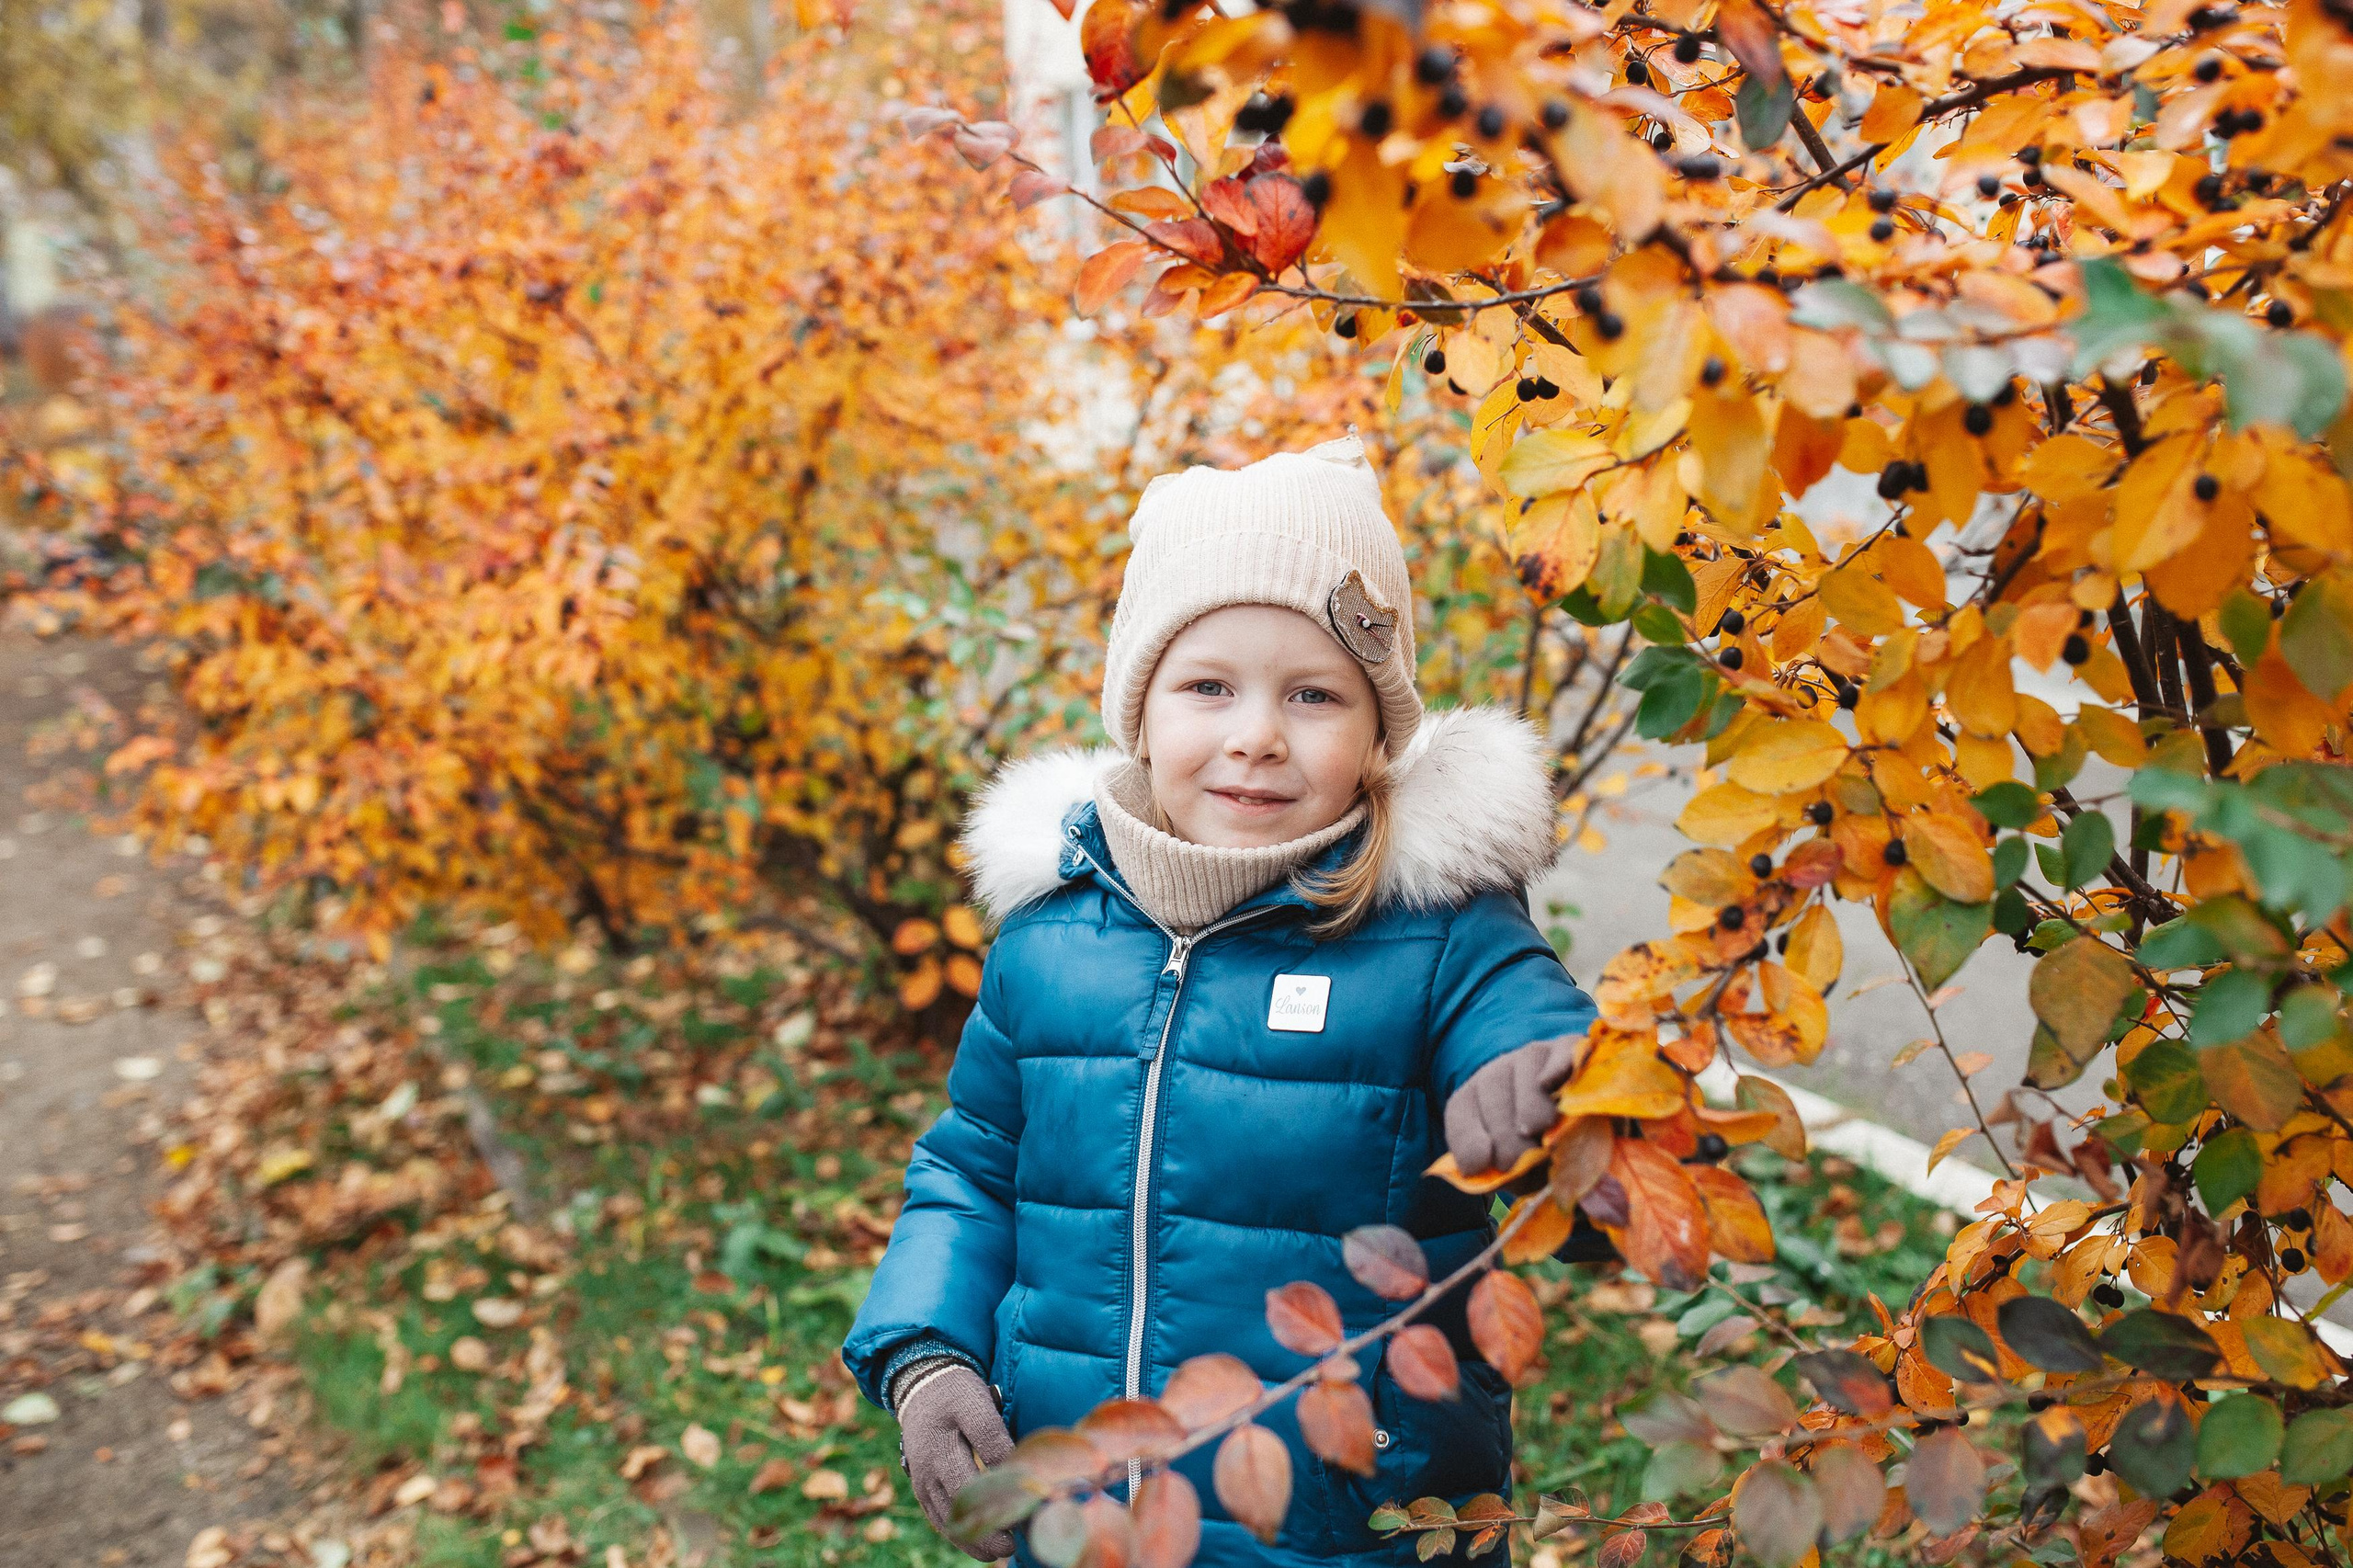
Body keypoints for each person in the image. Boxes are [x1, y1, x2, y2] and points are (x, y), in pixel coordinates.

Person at [843, 435, 1599, 1566]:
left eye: (1312, 692)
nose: (1255, 733)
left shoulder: (1439, 934)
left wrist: (1565, 1089)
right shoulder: (1053, 937)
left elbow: (1531, 1025)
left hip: (1349, 1528)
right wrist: (928, 1350)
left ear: (1377, 733)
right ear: (1139, 711)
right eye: (1208, 686)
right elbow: (972, 1164)